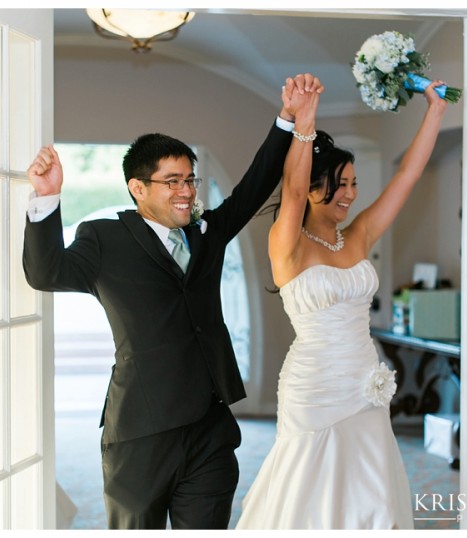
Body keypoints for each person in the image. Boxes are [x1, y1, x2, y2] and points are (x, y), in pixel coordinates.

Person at [22, 73, 324, 530]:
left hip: (210, 428)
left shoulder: (206, 233)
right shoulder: (104, 238)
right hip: (141, 432)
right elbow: (45, 274)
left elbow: (255, 184)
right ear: (137, 188)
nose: (186, 190)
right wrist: (48, 198)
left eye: (190, 179)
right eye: (171, 181)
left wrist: (287, 118)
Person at [236, 80, 448, 529]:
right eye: (340, 185)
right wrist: (304, 121)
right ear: (314, 190)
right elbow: (289, 193)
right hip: (314, 385)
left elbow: (407, 176)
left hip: (364, 380)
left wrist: (434, 110)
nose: (351, 194)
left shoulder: (359, 235)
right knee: (309, 490)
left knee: (370, 488)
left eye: (354, 184)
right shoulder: (286, 244)